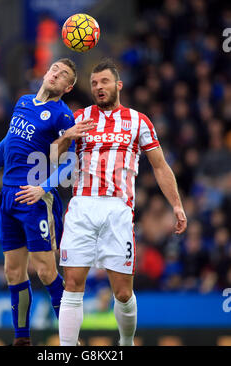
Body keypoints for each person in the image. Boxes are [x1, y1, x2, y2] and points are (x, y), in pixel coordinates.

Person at [35, 58, 187, 346]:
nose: (98, 87)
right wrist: (67, 136)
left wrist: (176, 205)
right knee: (72, 284)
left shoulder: (138, 121)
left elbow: (159, 166)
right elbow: (53, 156)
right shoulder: (79, 116)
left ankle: (126, 342)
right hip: (82, 206)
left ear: (118, 85)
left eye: (104, 82)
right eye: (94, 83)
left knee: (122, 293)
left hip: (118, 209)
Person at [0, 58, 94, 346]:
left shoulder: (63, 116)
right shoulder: (23, 101)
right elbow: (6, 144)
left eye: (63, 75)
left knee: (46, 270)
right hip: (8, 197)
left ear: (68, 87)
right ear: (47, 73)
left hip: (35, 198)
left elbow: (71, 161)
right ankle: (21, 340)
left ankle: (69, 342)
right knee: (13, 272)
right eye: (54, 70)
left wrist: (43, 188)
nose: (55, 75)